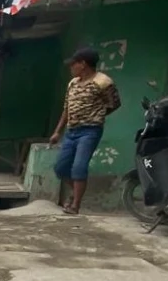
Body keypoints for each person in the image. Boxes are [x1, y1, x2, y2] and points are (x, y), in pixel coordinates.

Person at [50, 47, 121, 214]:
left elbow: (114, 104)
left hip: (90, 130)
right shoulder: (73, 83)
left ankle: (75, 205)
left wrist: (97, 115)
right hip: (71, 131)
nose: (71, 68)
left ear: (83, 64)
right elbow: (67, 109)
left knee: (79, 167)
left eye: (73, 64)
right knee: (60, 168)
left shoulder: (103, 82)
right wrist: (57, 131)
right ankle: (76, 193)